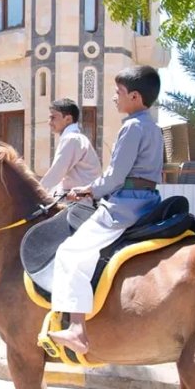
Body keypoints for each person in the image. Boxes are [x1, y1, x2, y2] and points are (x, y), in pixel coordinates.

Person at [48, 66, 164, 355]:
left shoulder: (132, 127)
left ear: (135, 97)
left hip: (124, 205)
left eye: (118, 92)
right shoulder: (153, 127)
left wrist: (89, 189)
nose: (114, 98)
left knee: (70, 253)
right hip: (148, 200)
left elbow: (114, 177)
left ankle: (76, 328)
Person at [40, 98, 101, 200]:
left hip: (84, 200)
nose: (49, 122)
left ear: (68, 119)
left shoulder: (72, 139)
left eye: (53, 117)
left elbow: (56, 174)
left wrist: (35, 194)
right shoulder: (73, 138)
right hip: (76, 197)